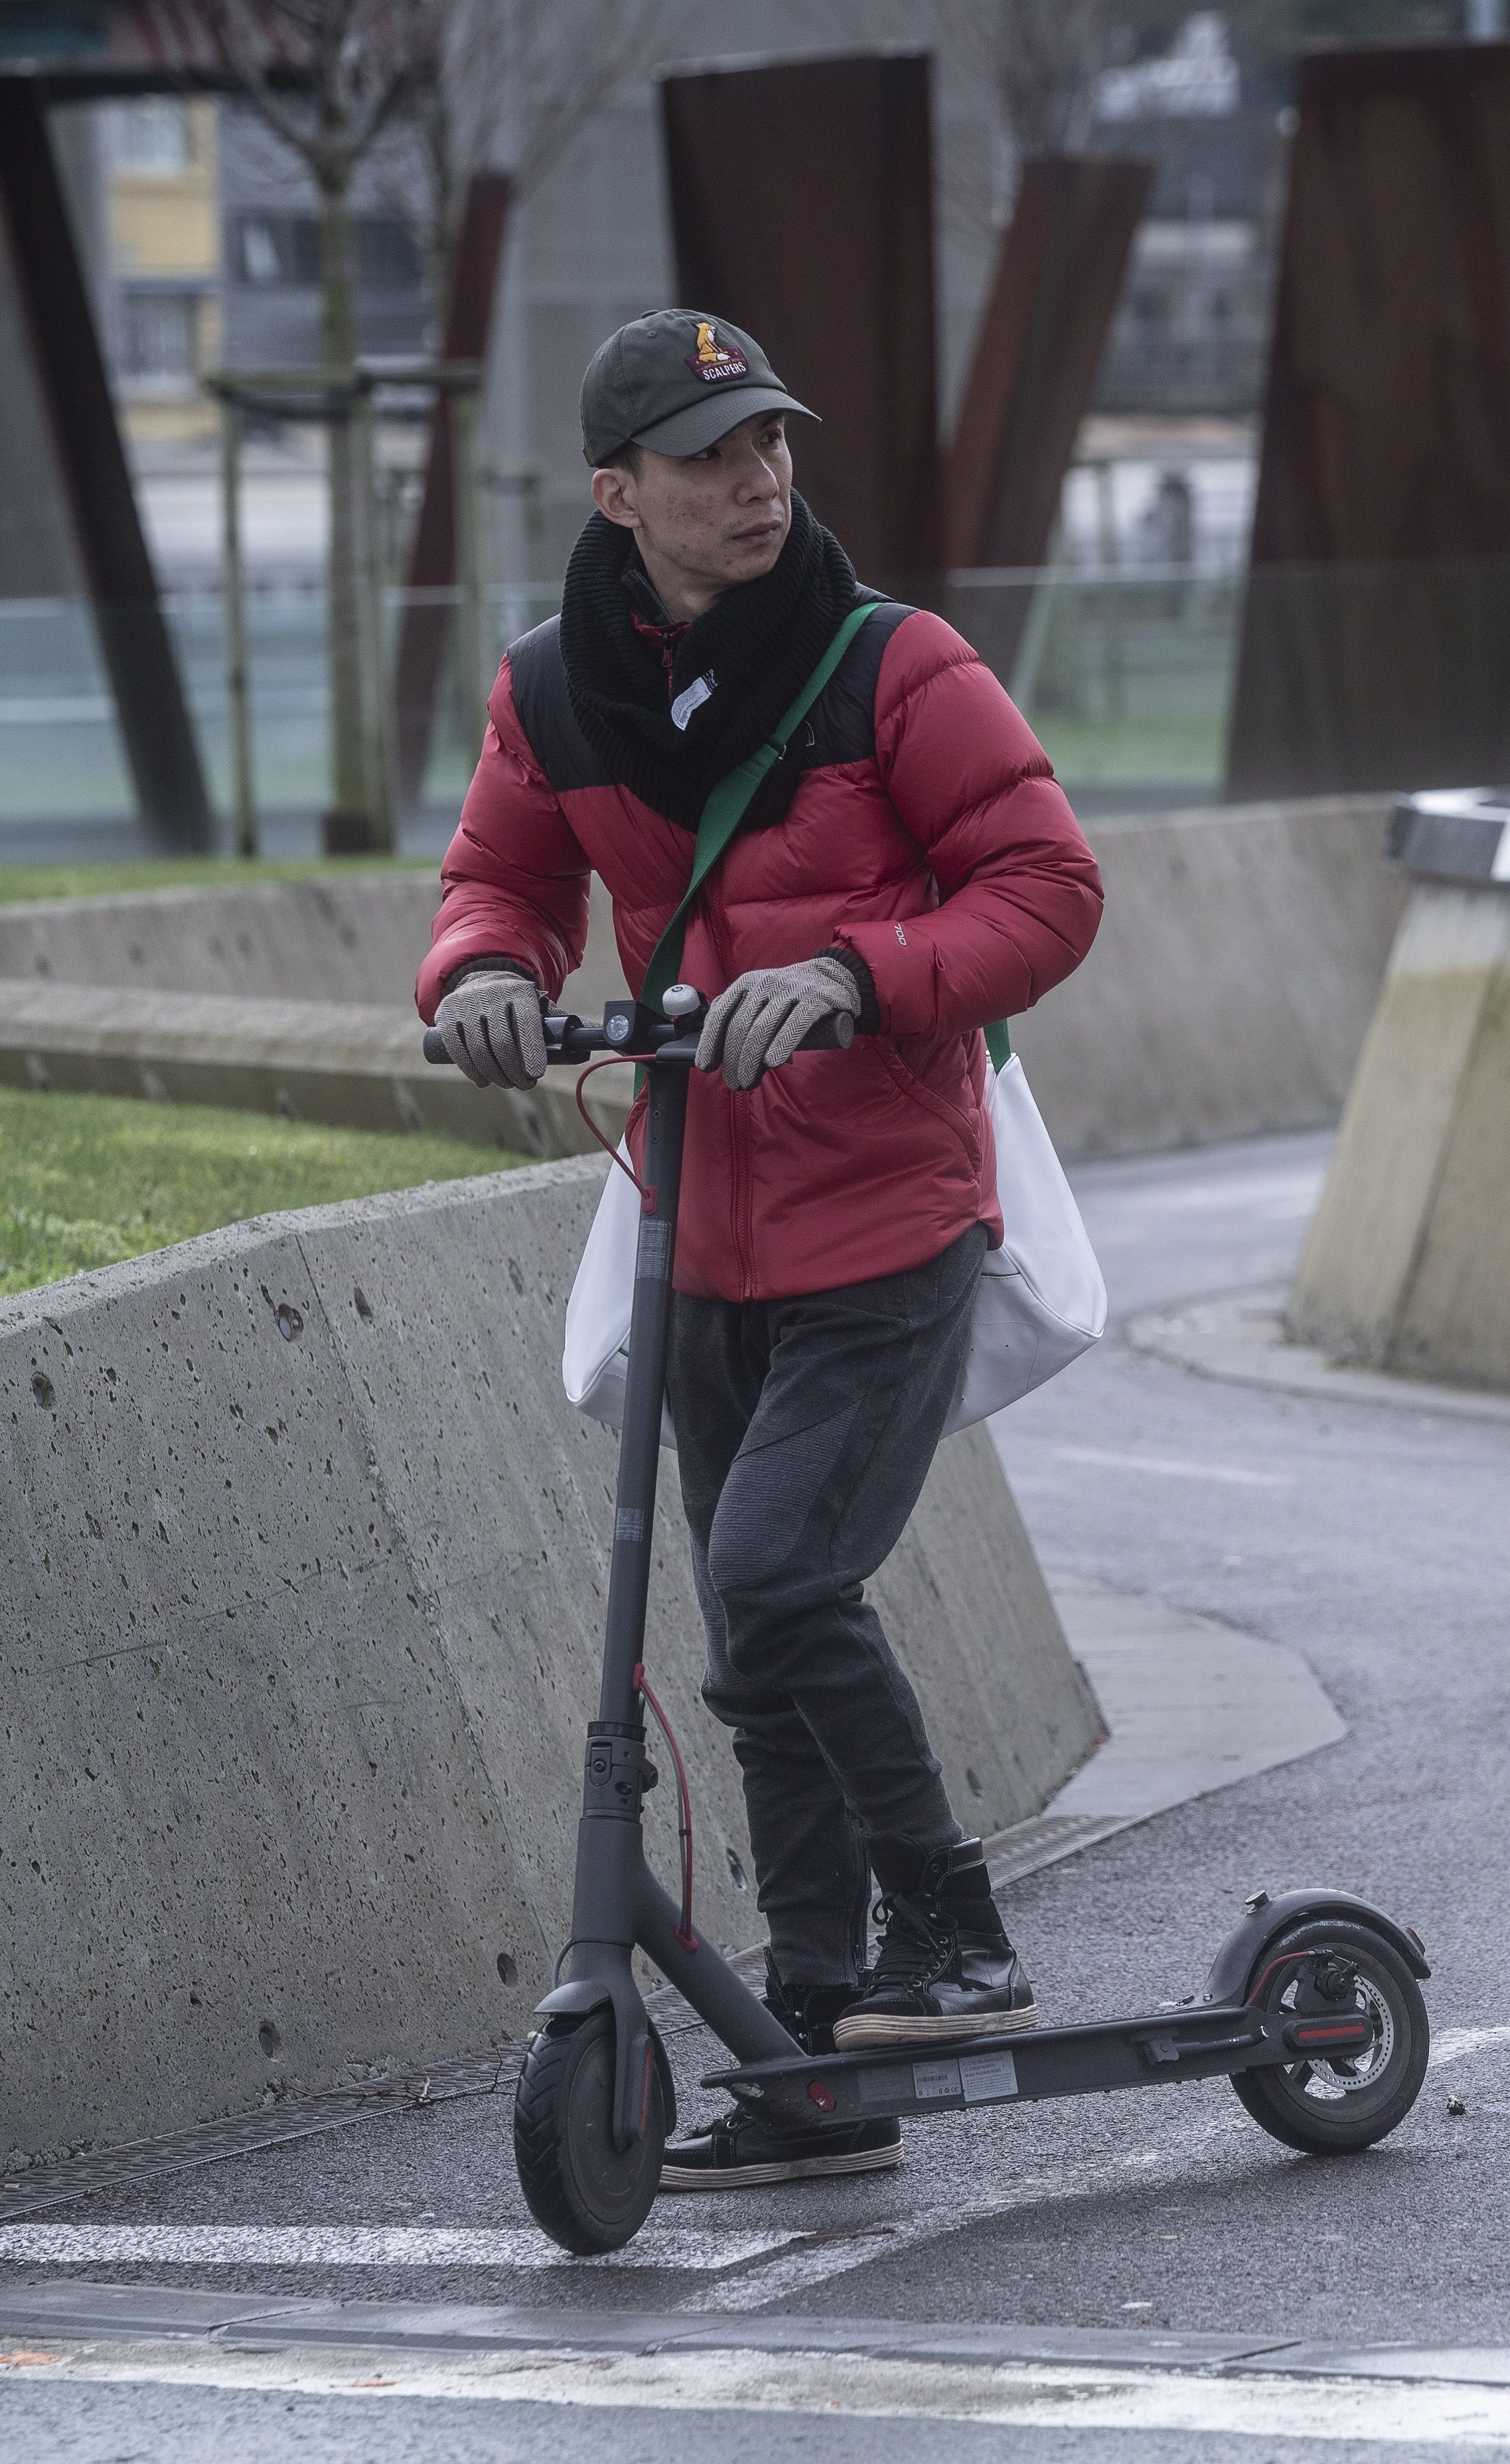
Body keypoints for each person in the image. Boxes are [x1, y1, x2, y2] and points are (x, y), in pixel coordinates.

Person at [417, 309, 1102, 2191]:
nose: (760, 479)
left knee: (783, 1581)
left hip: (890, 1218)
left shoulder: (896, 667)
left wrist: (857, 972)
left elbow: (1048, 891)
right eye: (713, 454)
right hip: (702, 1228)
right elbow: (503, 874)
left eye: (773, 442)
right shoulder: (560, 689)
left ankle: (952, 1933)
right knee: (742, 1646)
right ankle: (813, 2047)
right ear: (616, 491)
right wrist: (484, 974)